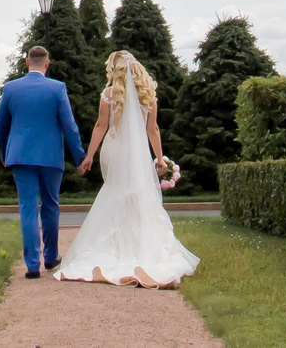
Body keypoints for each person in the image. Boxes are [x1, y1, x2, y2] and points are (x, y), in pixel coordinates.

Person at [56, 49, 200, 288]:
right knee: (137, 194)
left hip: (113, 150)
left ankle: (115, 244)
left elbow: (101, 126)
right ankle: (138, 245)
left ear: (116, 71)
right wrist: (159, 157)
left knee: (115, 192)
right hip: (138, 153)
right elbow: (152, 129)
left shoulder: (108, 95)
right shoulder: (148, 96)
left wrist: (89, 155)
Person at [0, 44, 84, 278]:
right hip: (50, 156)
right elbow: (70, 126)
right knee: (51, 205)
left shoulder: (11, 88)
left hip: (21, 156)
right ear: (47, 63)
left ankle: (32, 265)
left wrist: (6, 153)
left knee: (27, 208)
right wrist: (79, 157)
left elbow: (1, 126)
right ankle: (51, 257)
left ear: (27, 62)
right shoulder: (57, 89)